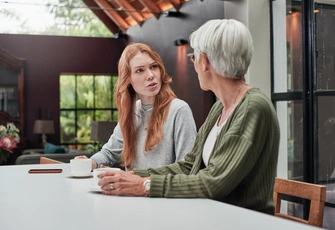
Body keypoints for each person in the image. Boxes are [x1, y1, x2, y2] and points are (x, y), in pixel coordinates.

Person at [97, 19, 280, 215]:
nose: (193, 63)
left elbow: (213, 182)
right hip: (213, 215)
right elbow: (188, 165)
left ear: (206, 61)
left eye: (193, 57)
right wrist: (134, 176)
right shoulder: (220, 107)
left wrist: (145, 185)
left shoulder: (252, 108)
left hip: (239, 221)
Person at [76, 43, 197, 171]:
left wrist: (138, 180)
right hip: (129, 191)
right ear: (128, 79)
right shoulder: (132, 111)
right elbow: (109, 152)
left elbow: (186, 168)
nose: (150, 75)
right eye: (140, 70)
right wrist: (90, 163)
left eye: (154, 67)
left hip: (159, 190)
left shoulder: (179, 110)